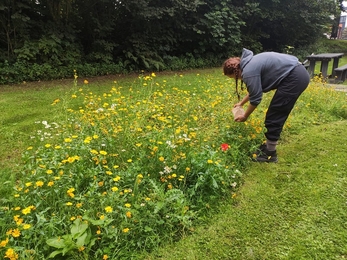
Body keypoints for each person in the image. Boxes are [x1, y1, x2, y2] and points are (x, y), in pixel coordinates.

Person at [223, 48, 310, 163]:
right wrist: (241, 103)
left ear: (235, 72)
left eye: (233, 78)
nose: (236, 79)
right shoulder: (250, 63)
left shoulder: (248, 71)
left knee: (276, 114)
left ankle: (270, 153)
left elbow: (256, 99)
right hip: (297, 73)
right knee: (275, 112)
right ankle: (269, 147)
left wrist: (245, 116)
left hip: (294, 78)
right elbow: (255, 89)